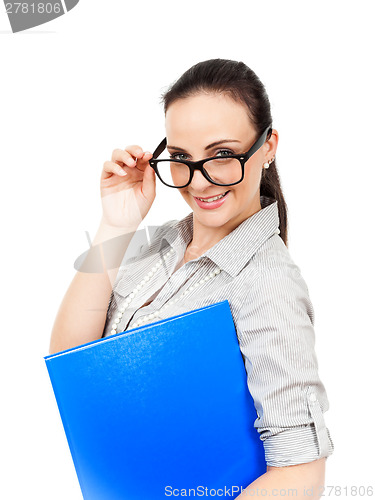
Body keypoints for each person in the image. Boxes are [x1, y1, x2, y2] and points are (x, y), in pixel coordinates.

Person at [49, 58, 334, 498]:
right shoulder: (160, 244)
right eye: (181, 158)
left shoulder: (267, 282)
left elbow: (301, 473)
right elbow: (72, 366)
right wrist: (116, 227)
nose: (199, 182)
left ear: (268, 145)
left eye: (222, 154)